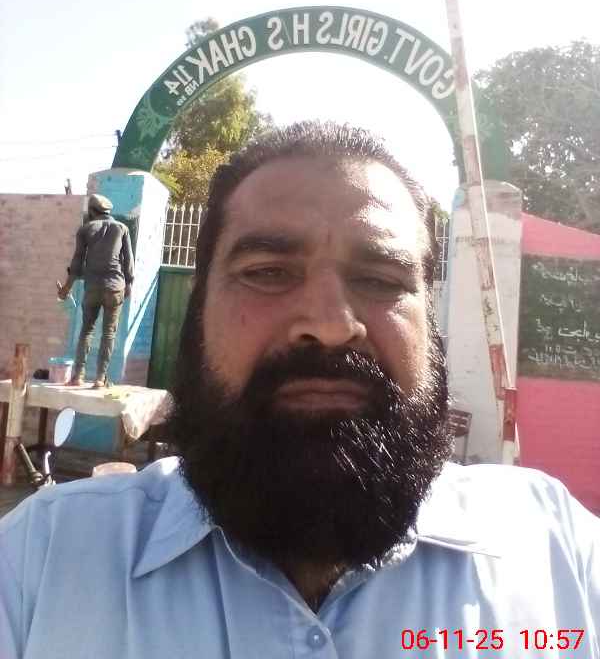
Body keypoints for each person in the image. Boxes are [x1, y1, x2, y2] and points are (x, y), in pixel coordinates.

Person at [1, 123, 598, 658]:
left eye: (380, 279)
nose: (331, 324)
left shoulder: (559, 554)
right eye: (267, 273)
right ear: (198, 312)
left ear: (430, 324)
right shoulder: (38, 564)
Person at [57, 193, 134, 388]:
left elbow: (77, 262)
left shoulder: (85, 230)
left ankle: (78, 376)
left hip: (92, 287)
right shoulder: (122, 228)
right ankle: (100, 379)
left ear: (92, 212)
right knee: (109, 333)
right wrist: (129, 285)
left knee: (86, 330)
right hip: (115, 286)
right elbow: (128, 261)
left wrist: (66, 289)